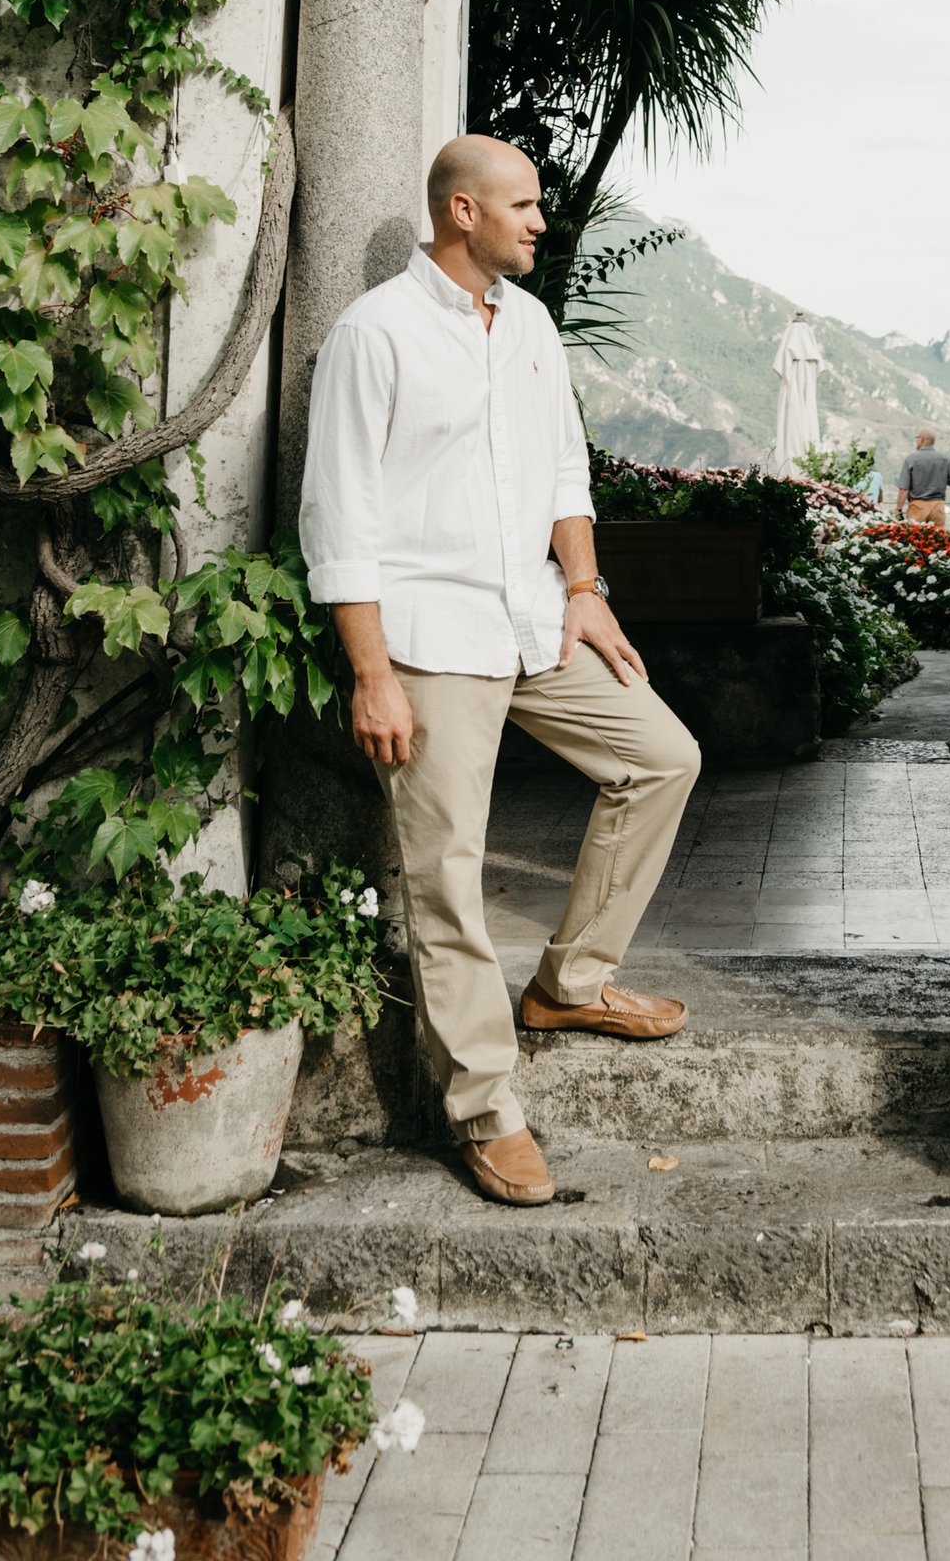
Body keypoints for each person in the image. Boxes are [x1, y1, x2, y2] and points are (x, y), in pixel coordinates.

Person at [298, 135, 700, 1211]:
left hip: (535, 622)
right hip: (428, 639)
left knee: (662, 757)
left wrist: (585, 589)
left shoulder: (527, 325)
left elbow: (564, 469)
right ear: (462, 212)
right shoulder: (372, 335)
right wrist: (371, 672)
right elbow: (339, 516)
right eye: (523, 206)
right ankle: (487, 1112)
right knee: (449, 874)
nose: (541, 222)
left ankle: (569, 984)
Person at [894, 426, 950, 527]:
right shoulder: (946, 459)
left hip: (918, 506)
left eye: (917, 438)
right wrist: (941, 478)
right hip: (938, 506)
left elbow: (904, 488)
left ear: (921, 439)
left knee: (915, 538)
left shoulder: (911, 459)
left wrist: (899, 508)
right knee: (937, 539)